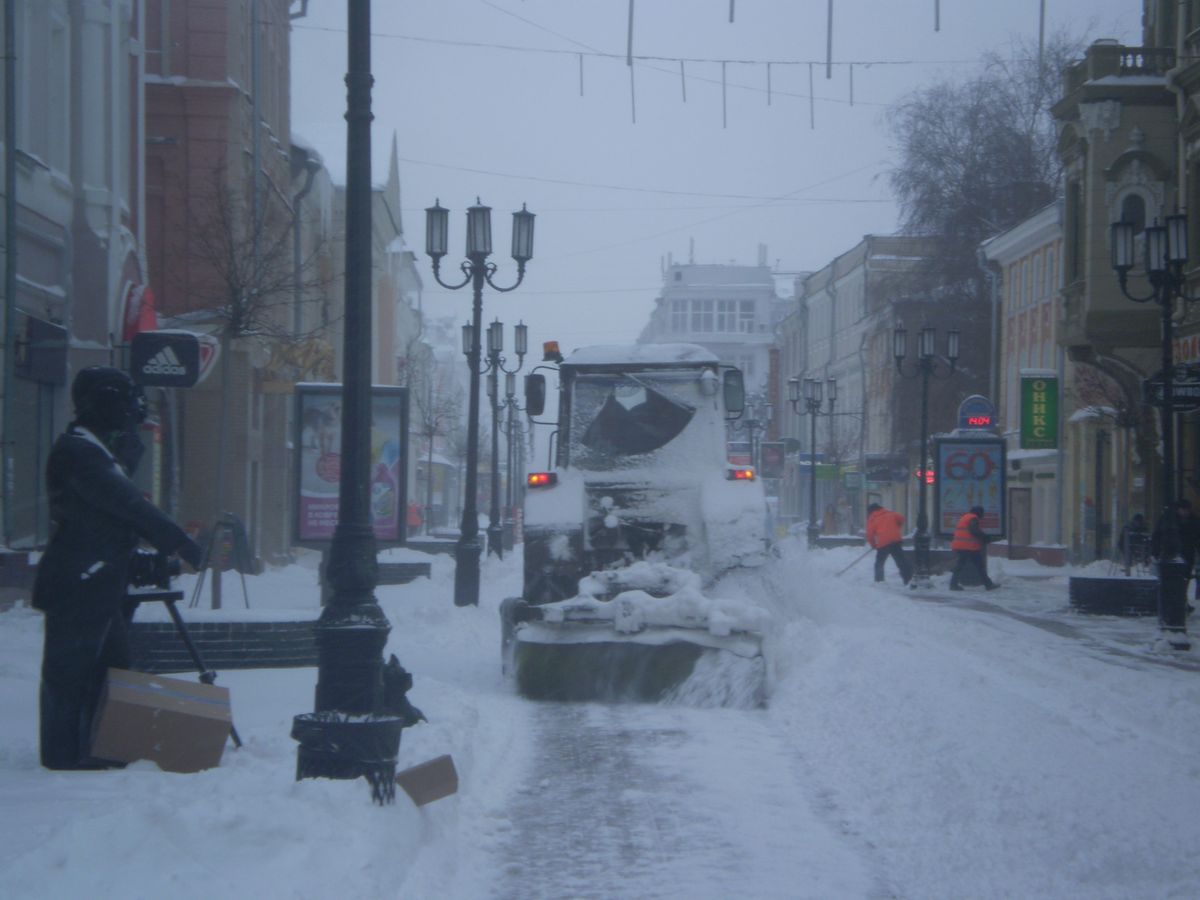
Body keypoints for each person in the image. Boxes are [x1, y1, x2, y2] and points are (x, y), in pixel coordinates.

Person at [32, 366, 204, 770]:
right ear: (104, 402)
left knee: (113, 667)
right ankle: (65, 753)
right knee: (70, 673)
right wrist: (180, 543)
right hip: (79, 581)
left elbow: (112, 517)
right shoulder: (79, 452)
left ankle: (99, 744)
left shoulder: (96, 450)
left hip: (98, 581)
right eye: (126, 401)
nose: (133, 410)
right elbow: (126, 504)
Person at [1150, 498, 1200, 595]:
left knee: (1185, 578)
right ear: (1178, 509)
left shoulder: (1194, 521)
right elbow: (1157, 536)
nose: (1186, 512)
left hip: (1187, 554)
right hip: (1169, 554)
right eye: (1183, 510)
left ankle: (1182, 599)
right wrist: (1155, 552)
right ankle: (1175, 600)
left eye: (1187, 510)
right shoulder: (1168, 519)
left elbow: (1197, 538)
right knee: (1171, 579)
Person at [949, 505, 997, 591]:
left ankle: (953, 584)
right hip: (969, 547)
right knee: (979, 566)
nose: (983, 516)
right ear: (978, 512)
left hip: (961, 546)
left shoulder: (965, 517)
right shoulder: (973, 518)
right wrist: (985, 537)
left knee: (960, 565)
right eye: (982, 513)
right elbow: (974, 530)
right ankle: (988, 585)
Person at [865, 502, 912, 585]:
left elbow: (870, 535)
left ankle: (879, 581)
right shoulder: (890, 513)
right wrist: (897, 527)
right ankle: (908, 579)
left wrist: (873, 544)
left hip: (883, 543)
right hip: (895, 540)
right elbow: (902, 519)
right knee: (901, 561)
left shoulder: (872, 518)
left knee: (879, 562)